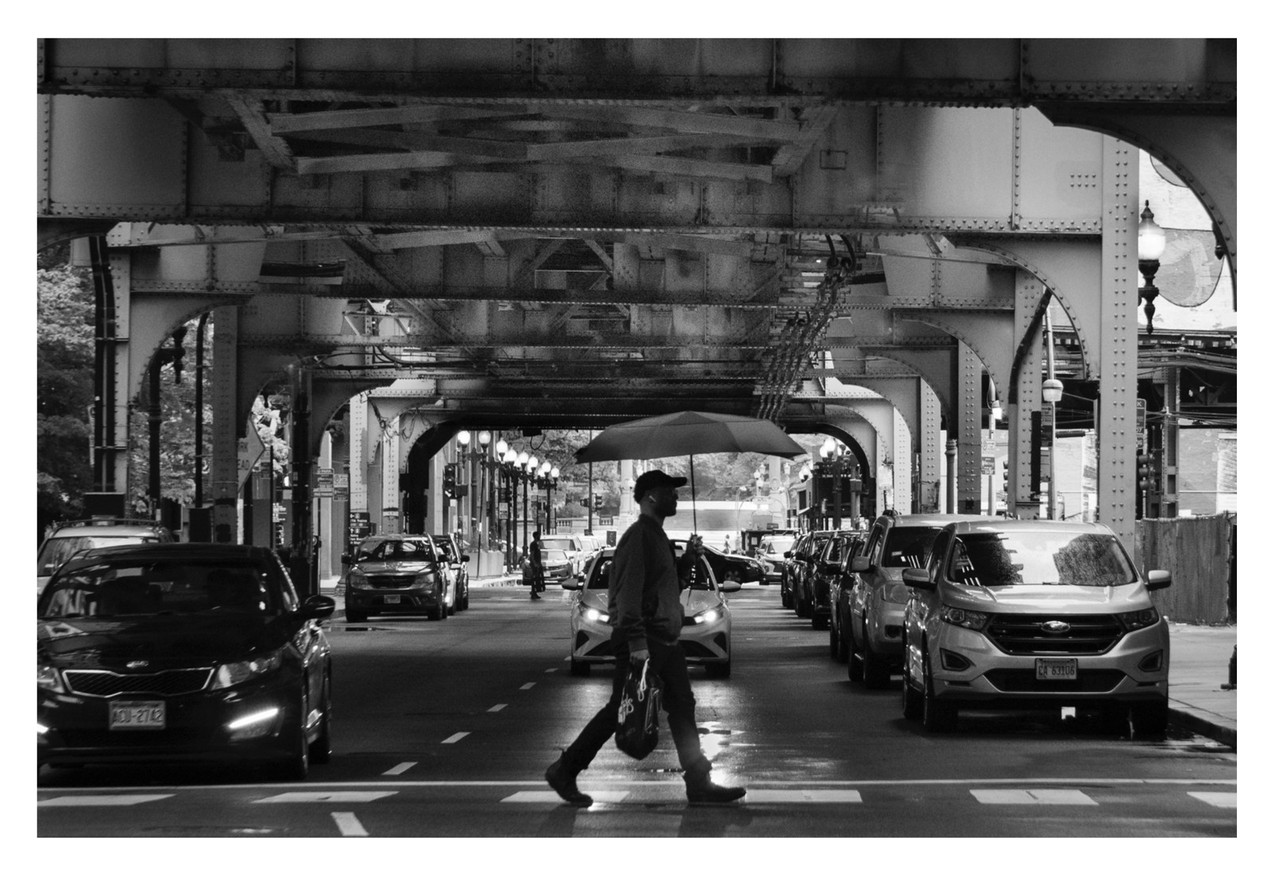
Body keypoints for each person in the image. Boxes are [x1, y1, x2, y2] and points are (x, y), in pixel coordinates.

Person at [544, 470, 746, 807]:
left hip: (665, 640)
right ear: (651, 496)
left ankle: (698, 782)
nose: (676, 497)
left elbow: (665, 588)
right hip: (645, 641)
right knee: (619, 711)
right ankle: (565, 769)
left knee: (682, 707)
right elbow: (627, 595)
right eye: (670, 491)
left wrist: (690, 561)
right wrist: (637, 644)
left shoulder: (657, 537)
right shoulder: (639, 537)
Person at [529, 528, 545, 600]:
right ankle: (533, 592)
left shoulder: (537, 544)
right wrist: (535, 563)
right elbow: (532, 554)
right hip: (535, 564)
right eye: (538, 536)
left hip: (538, 563)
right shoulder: (533, 544)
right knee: (534, 578)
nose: (540, 537)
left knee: (538, 578)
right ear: (535, 536)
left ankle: (535, 592)